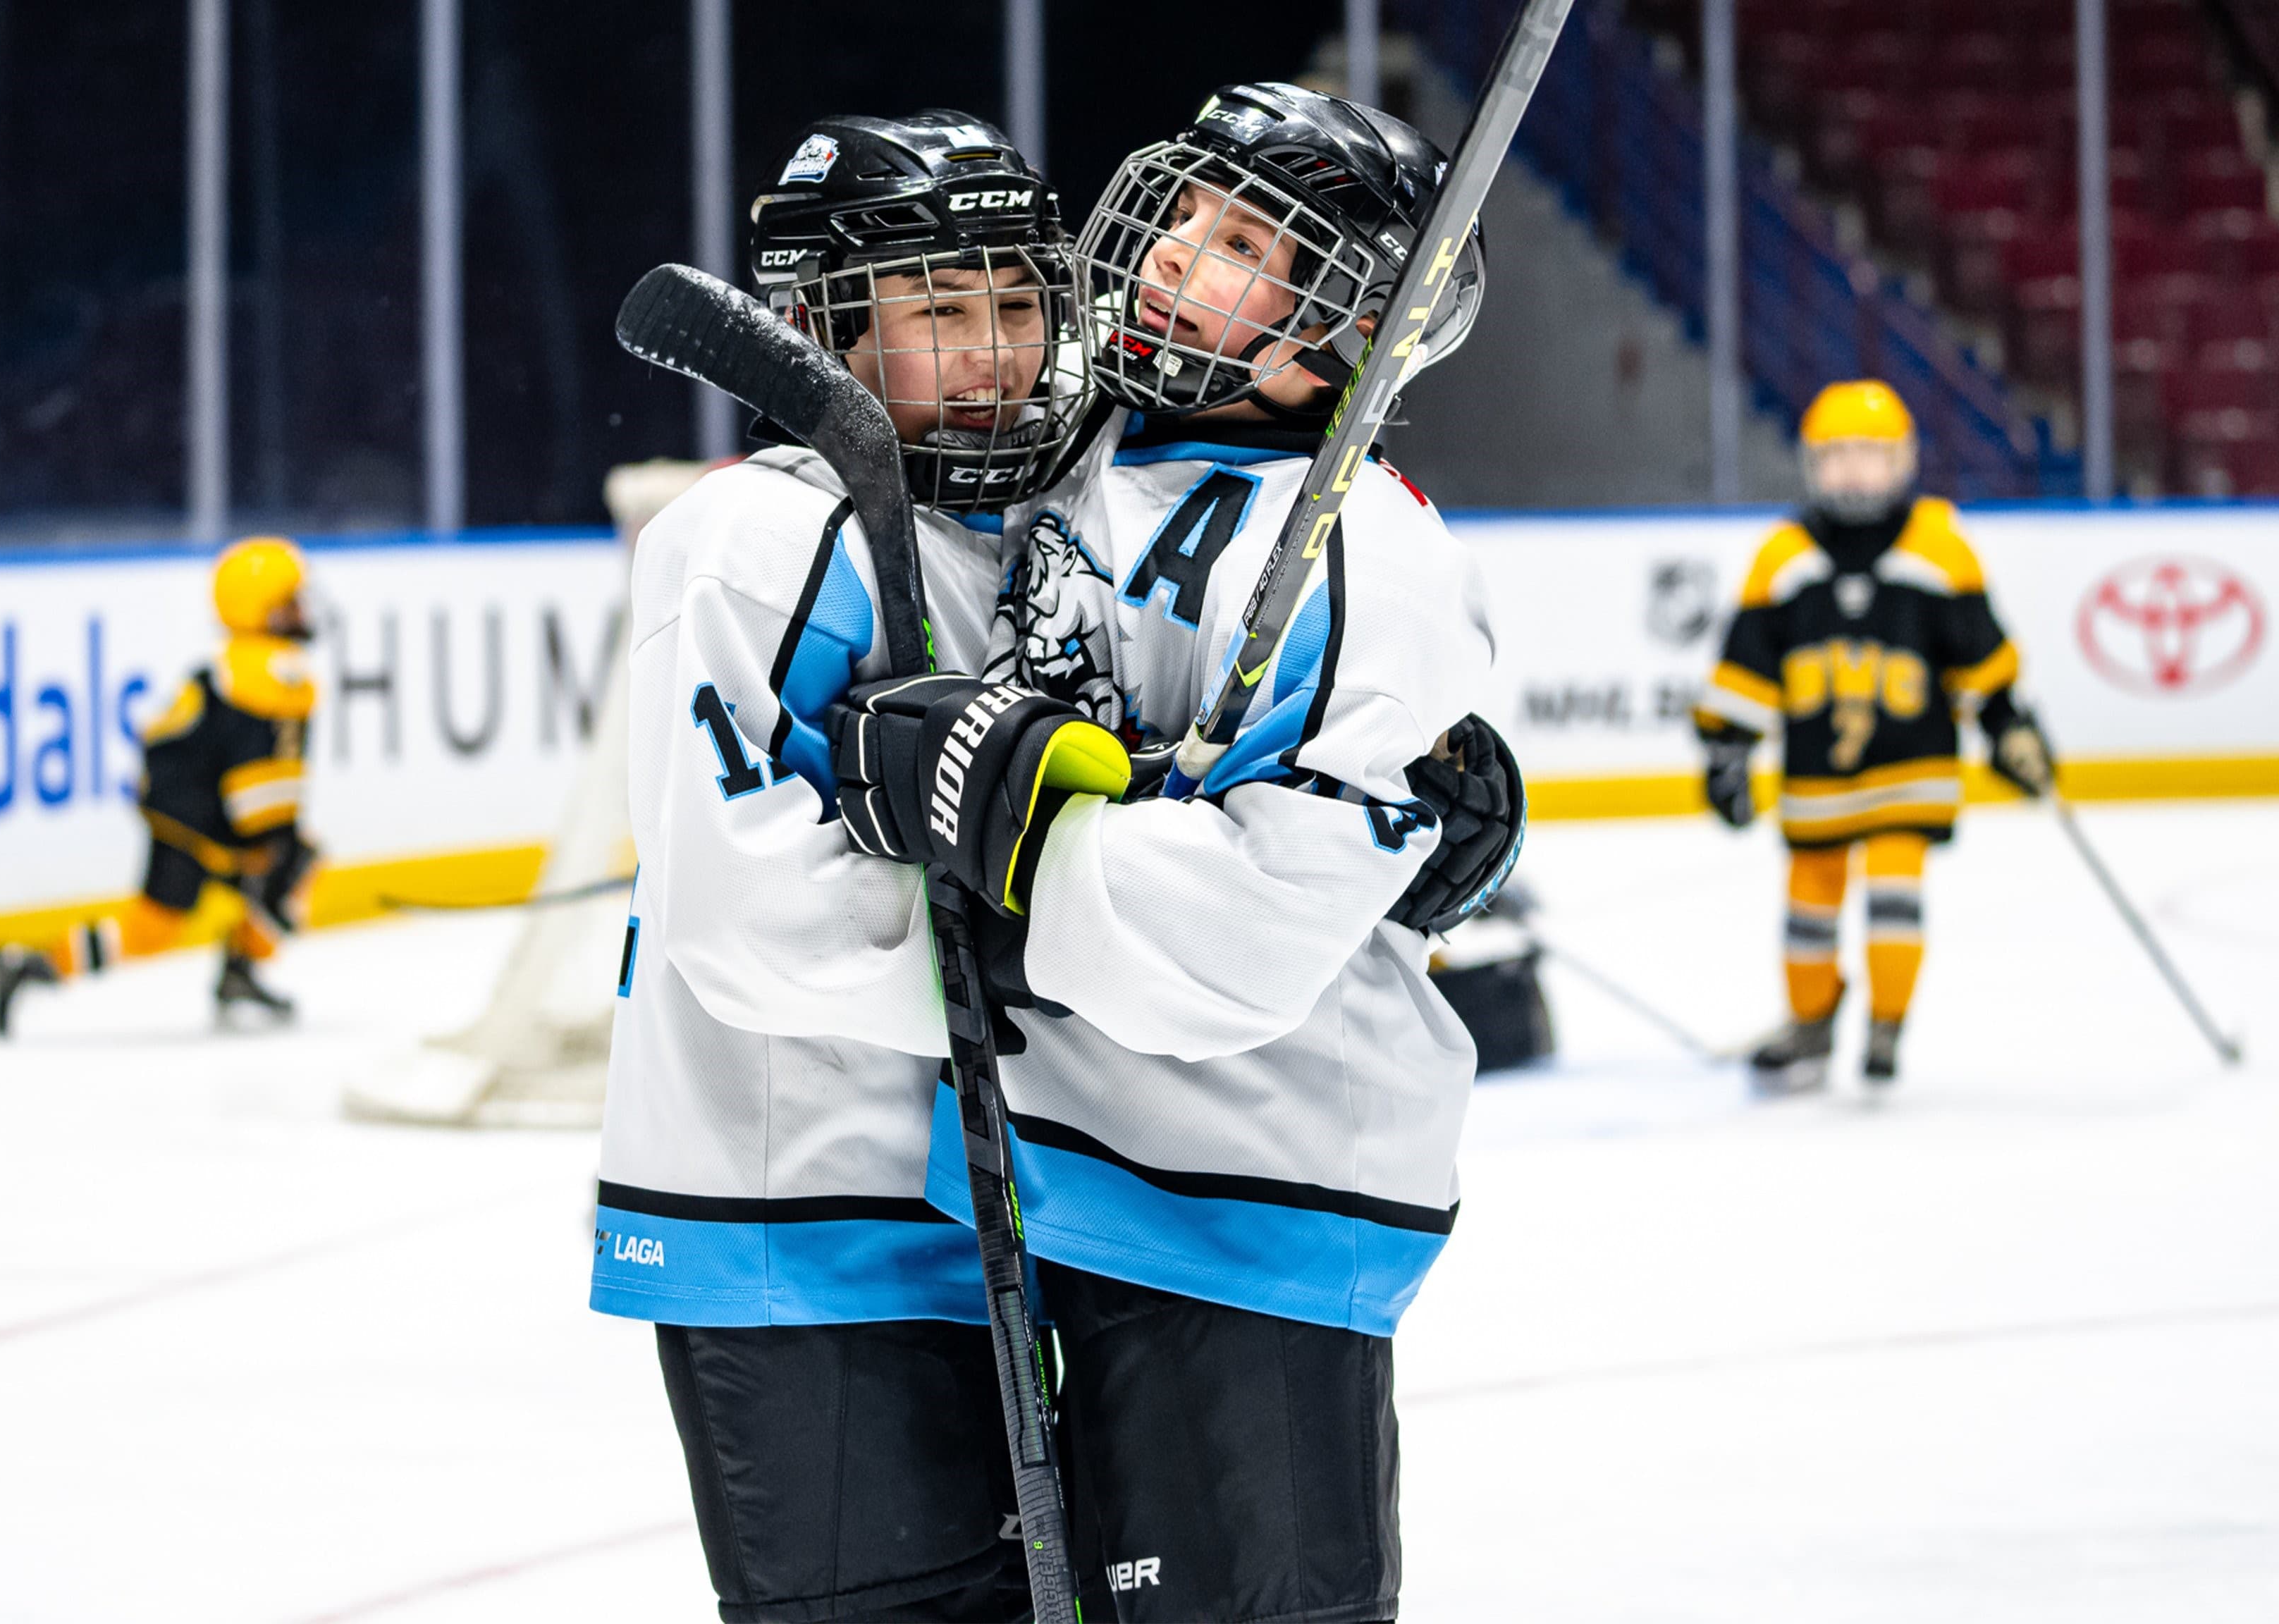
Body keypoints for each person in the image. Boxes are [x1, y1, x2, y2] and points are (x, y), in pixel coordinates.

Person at [826, 83, 1523, 1624]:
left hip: (1249, 1196)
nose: (1170, 255)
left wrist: (1015, 840)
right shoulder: (1090, 450)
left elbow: (1247, 937)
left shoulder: (1361, 552)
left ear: (1351, 327)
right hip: (1057, 1175)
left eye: (1242, 247)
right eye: (1188, 215)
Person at [589, 113, 1093, 1623]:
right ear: (821, 323)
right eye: (938, 306)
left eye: (1016, 301)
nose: (994, 350)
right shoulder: (753, 537)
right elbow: (743, 911)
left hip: (999, 1219)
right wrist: (1058, 955)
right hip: (794, 1227)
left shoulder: (1027, 532)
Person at [1693, 379, 2053, 1092]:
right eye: (1836, 455)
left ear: (1903, 461)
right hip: (1816, 779)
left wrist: (2008, 725)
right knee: (1808, 906)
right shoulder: (1783, 558)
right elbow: (1747, 665)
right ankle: (1810, 1019)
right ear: (1810, 464)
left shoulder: (1940, 549)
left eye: (1870, 453)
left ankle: (1887, 1023)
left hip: (1913, 770)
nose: (1852, 470)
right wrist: (1728, 749)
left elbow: (1979, 657)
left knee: (1895, 894)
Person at [0, 536, 320, 1036]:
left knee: (161, 925)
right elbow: (257, 790)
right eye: (291, 601)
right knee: (276, 874)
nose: (302, 609)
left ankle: (27, 967)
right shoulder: (265, 676)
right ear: (261, 607)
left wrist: (273, 844)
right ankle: (26, 967)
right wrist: (271, 846)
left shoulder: (243, 667)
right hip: (195, 822)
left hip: (192, 816)